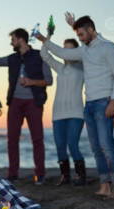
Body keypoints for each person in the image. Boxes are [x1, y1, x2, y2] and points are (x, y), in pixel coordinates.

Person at [37, 14, 114, 197]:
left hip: (104, 102)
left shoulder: (109, 47)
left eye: (82, 34)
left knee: (106, 145)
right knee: (95, 147)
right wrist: (45, 39)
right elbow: (62, 53)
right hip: (89, 105)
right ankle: (105, 185)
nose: (80, 38)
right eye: (77, 35)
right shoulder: (84, 51)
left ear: (92, 30)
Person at [0, 27, 53, 185]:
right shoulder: (12, 58)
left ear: (21, 39)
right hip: (15, 102)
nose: (11, 43)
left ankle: (40, 175)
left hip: (34, 102)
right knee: (12, 140)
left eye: (13, 40)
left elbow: (49, 80)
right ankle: (13, 174)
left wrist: (31, 82)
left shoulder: (39, 56)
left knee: (37, 139)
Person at [40, 37, 86, 186]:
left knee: (72, 144)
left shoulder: (82, 67)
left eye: (69, 49)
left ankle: (81, 176)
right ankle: (65, 176)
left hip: (76, 113)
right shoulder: (60, 68)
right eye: (63, 49)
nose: (65, 52)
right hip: (58, 114)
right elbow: (45, 55)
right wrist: (48, 37)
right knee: (60, 146)